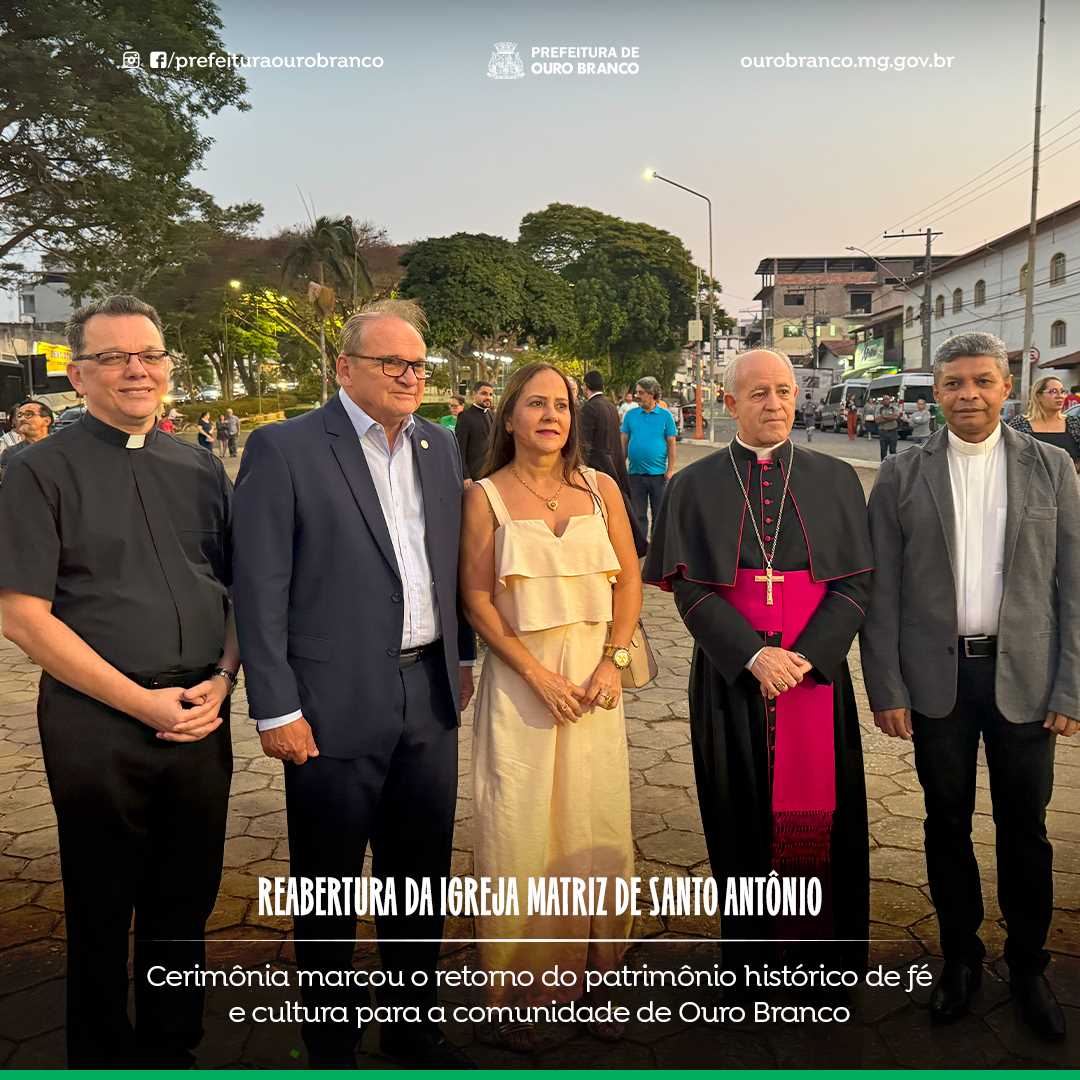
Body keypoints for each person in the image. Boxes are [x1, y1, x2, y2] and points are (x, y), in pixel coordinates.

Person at [231, 299, 475, 1069]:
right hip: (328, 709)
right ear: (345, 368)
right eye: (391, 363)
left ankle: (411, 1033)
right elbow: (259, 588)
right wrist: (275, 706)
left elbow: (449, 566)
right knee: (329, 889)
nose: (409, 377)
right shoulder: (287, 448)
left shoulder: (438, 447)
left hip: (427, 700)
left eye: (418, 365)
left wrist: (460, 661)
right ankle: (332, 1045)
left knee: (420, 883)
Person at [0, 295, 237, 1067]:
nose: (137, 370)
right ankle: (101, 1057)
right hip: (98, 721)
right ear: (78, 372)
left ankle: (175, 1051)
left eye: (150, 355)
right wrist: (139, 702)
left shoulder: (196, 462)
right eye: (114, 357)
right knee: (102, 907)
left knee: (186, 901)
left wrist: (226, 679)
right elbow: (24, 615)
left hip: (200, 711)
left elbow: (236, 587)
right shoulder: (36, 469)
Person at [861, 331, 1080, 1042]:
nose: (968, 396)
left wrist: (1072, 689)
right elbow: (882, 589)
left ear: (1006, 384)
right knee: (944, 823)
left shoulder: (1053, 470)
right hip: (936, 681)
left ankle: (1027, 966)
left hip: (1025, 679)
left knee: (1027, 829)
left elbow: (1073, 587)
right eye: (953, 383)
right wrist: (886, 684)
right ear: (937, 392)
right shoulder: (899, 475)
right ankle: (959, 959)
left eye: (983, 381)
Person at [644, 348, 872, 985]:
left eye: (784, 391)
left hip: (813, 677)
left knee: (827, 816)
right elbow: (689, 587)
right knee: (736, 808)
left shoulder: (835, 479)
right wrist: (751, 654)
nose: (775, 403)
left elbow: (856, 583)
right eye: (759, 393)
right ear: (729, 403)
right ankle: (751, 958)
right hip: (730, 673)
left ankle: (827, 956)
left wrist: (806, 656)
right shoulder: (693, 483)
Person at [460, 363, 640, 1051]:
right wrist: (535, 674)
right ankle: (520, 977)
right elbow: (476, 597)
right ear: (509, 417)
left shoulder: (601, 490)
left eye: (561, 404)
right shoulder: (484, 496)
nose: (551, 415)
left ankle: (593, 963)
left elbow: (629, 581)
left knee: (590, 814)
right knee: (521, 819)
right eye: (535, 403)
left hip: (596, 687)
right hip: (523, 686)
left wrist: (612, 661)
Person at [621, 376, 677, 541]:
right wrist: (620, 466)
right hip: (635, 475)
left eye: (641, 392)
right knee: (637, 514)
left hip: (659, 475)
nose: (637, 395)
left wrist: (671, 469)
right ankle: (641, 547)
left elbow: (671, 443)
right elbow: (623, 441)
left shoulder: (665, 416)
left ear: (652, 393)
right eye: (637, 392)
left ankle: (657, 548)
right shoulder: (630, 415)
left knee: (659, 513)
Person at [1007, 375, 1080, 469]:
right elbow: (1007, 454)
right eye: (1053, 391)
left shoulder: (1074, 423)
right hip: (1029, 482)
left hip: (1068, 482)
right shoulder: (1020, 423)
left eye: (1062, 391)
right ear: (1038, 396)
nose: (1060, 396)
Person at [0, 399, 54, 484]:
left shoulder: (62, 447)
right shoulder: (10, 453)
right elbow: (9, 486)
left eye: (28, 414)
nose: (22, 419)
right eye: (19, 415)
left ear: (46, 421)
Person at [455, 379, 495, 483]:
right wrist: (465, 476)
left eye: (491, 394)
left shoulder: (492, 415)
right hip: (473, 477)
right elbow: (459, 449)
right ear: (474, 394)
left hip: (492, 474)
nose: (488, 397)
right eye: (484, 393)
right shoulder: (465, 417)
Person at [876, 393, 900, 459]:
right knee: (883, 451)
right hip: (883, 432)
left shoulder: (894, 408)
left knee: (893, 450)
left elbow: (896, 417)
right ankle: (883, 466)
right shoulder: (879, 409)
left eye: (887, 399)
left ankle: (893, 466)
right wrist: (890, 418)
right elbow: (877, 420)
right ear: (882, 401)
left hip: (893, 431)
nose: (886, 401)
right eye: (884, 399)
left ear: (890, 400)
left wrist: (883, 417)